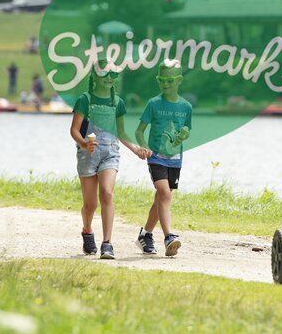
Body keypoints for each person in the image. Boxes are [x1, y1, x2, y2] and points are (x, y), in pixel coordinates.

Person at [70, 61, 151, 259]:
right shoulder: (85, 100)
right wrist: (83, 144)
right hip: (87, 155)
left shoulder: (118, 102)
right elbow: (74, 130)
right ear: (95, 76)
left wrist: (136, 149)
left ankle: (107, 243)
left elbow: (121, 132)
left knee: (107, 193)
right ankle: (87, 230)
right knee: (90, 205)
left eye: (114, 74)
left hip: (110, 153)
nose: (109, 77)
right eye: (105, 73)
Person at [134, 59, 192, 256]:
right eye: (162, 80)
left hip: (175, 159)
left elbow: (186, 130)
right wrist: (143, 145)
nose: (166, 84)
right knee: (164, 194)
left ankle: (145, 234)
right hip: (156, 157)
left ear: (179, 80)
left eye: (170, 80)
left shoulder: (186, 107)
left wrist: (185, 134)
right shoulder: (153, 104)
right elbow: (140, 131)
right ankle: (169, 237)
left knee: (161, 198)